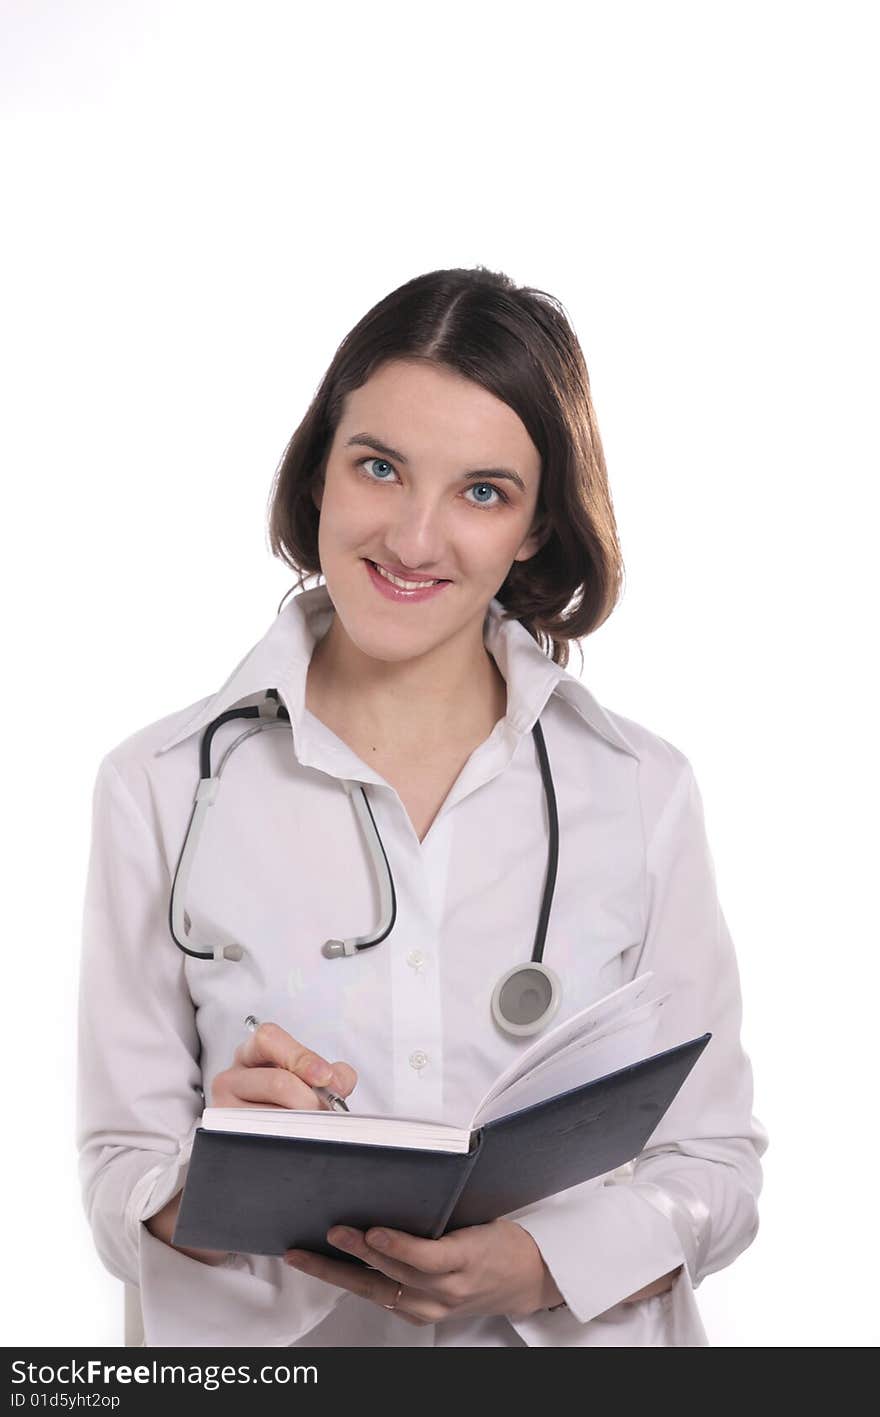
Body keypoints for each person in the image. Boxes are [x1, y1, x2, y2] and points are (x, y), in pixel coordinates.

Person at [76, 266, 768, 1348]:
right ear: (319, 476)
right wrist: (220, 1179)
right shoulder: (159, 785)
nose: (411, 537)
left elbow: (714, 1164)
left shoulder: (639, 790)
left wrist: (541, 1265)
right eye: (380, 468)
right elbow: (121, 1174)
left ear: (536, 528)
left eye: (482, 492)